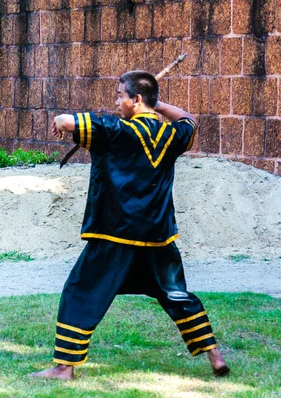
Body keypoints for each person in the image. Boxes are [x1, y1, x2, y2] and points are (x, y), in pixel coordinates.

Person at [31, 70, 230, 379]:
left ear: (136, 99)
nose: (116, 102)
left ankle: (63, 368)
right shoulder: (171, 136)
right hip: (157, 235)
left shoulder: (115, 131)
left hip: (115, 234)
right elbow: (188, 120)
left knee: (80, 291)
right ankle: (214, 356)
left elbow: (67, 121)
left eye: (121, 96)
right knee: (176, 294)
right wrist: (155, 104)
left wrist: (58, 120)